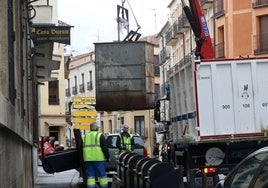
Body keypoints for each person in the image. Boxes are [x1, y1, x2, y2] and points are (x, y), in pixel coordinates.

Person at [83, 122, 110, 188]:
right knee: (102, 176)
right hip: (98, 158)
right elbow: (105, 148)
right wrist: (107, 157)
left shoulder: (85, 136)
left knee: (90, 177)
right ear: (97, 128)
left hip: (88, 159)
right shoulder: (99, 135)